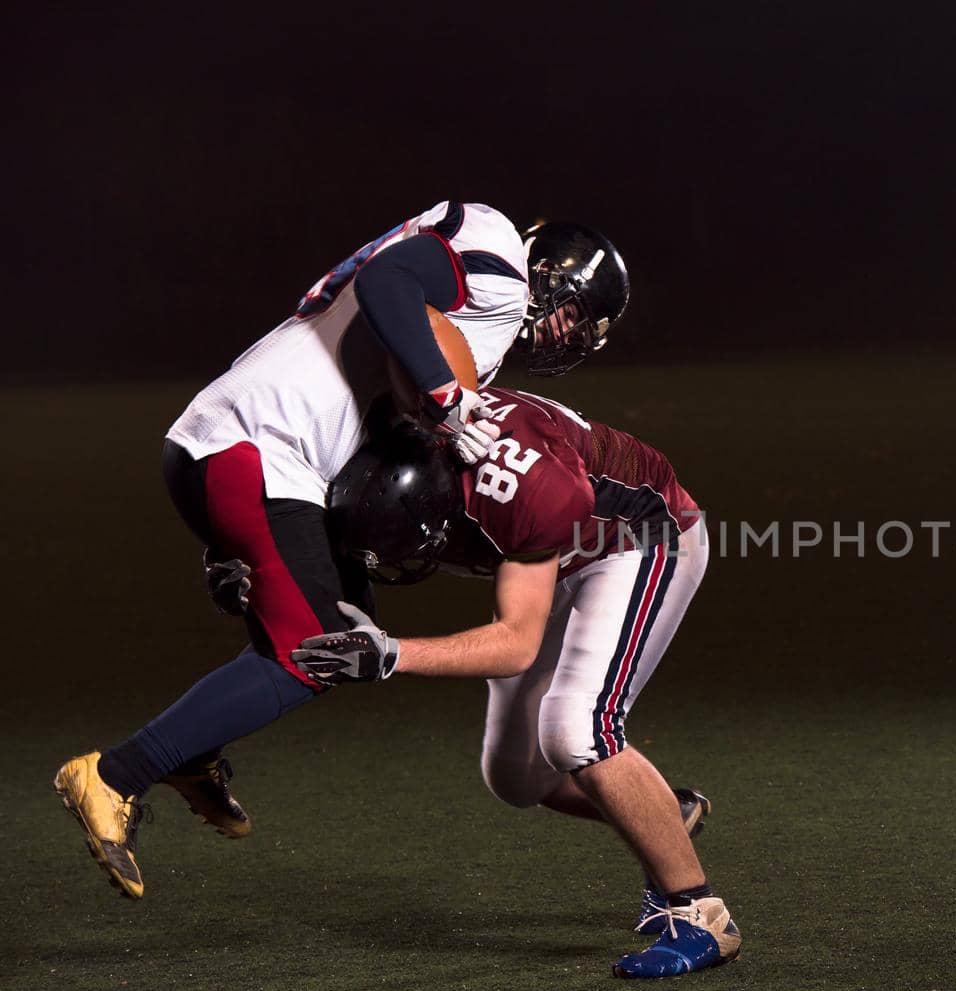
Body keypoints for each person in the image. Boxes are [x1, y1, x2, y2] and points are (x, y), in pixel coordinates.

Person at [51, 203, 629, 902]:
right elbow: (390, 281)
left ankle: (194, 750)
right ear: (549, 272)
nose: (564, 333)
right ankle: (116, 774)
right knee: (310, 652)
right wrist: (447, 400)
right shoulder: (499, 263)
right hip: (258, 448)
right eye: (573, 312)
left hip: (266, 448)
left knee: (343, 630)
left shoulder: (483, 289)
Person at [292, 389, 739, 979]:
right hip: (545, 547)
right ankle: (664, 814)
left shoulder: (520, 489)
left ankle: (699, 914)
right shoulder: (357, 451)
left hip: (633, 539)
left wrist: (393, 655)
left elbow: (515, 642)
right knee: (517, 778)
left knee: (578, 730)